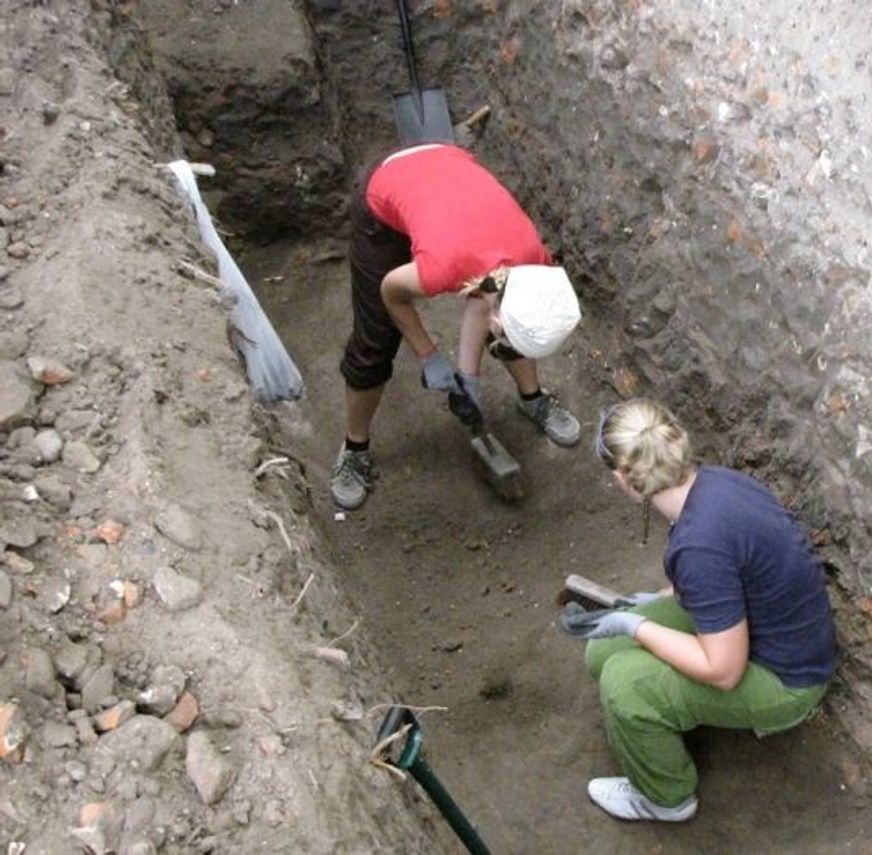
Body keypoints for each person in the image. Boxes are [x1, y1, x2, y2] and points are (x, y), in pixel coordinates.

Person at [568, 398, 837, 822]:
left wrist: (637, 626)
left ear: (623, 479)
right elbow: (716, 577)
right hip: (770, 633)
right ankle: (662, 723)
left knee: (623, 684)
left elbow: (724, 670)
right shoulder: (712, 484)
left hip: (787, 681)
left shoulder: (698, 545)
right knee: (604, 651)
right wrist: (654, 603)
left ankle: (665, 798)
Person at [331, 142, 583, 509]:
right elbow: (393, 294)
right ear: (497, 315)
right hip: (387, 188)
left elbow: (486, 298)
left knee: (520, 327)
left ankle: (533, 399)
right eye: (502, 331)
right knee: (376, 340)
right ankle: (354, 448)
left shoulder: (534, 264)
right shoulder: (442, 268)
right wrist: (429, 355)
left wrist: (469, 379)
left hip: (447, 172)